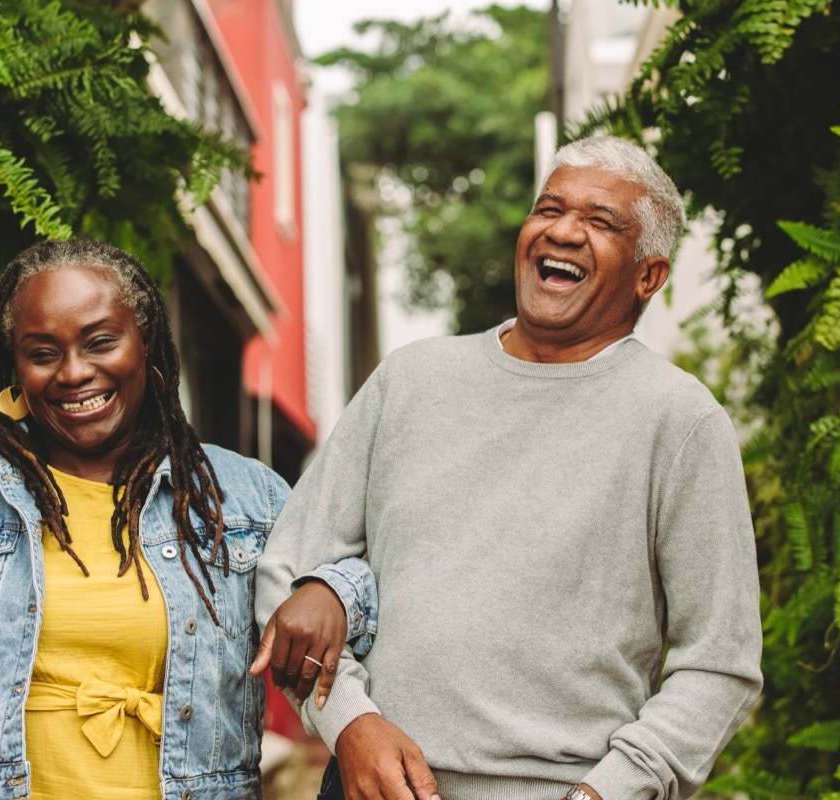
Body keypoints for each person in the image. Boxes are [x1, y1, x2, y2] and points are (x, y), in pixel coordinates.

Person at [256, 135, 764, 800]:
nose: (563, 230)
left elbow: (719, 664)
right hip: (371, 783)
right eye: (549, 209)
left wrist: (609, 792)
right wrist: (351, 724)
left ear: (649, 276)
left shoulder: (681, 422)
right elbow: (289, 570)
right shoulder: (410, 382)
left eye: (600, 221)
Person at [0, 238, 377, 800]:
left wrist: (330, 590)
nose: (74, 372)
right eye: (42, 353)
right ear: (13, 368)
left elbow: (366, 590)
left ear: (146, 345)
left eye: (100, 343)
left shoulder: (242, 499)